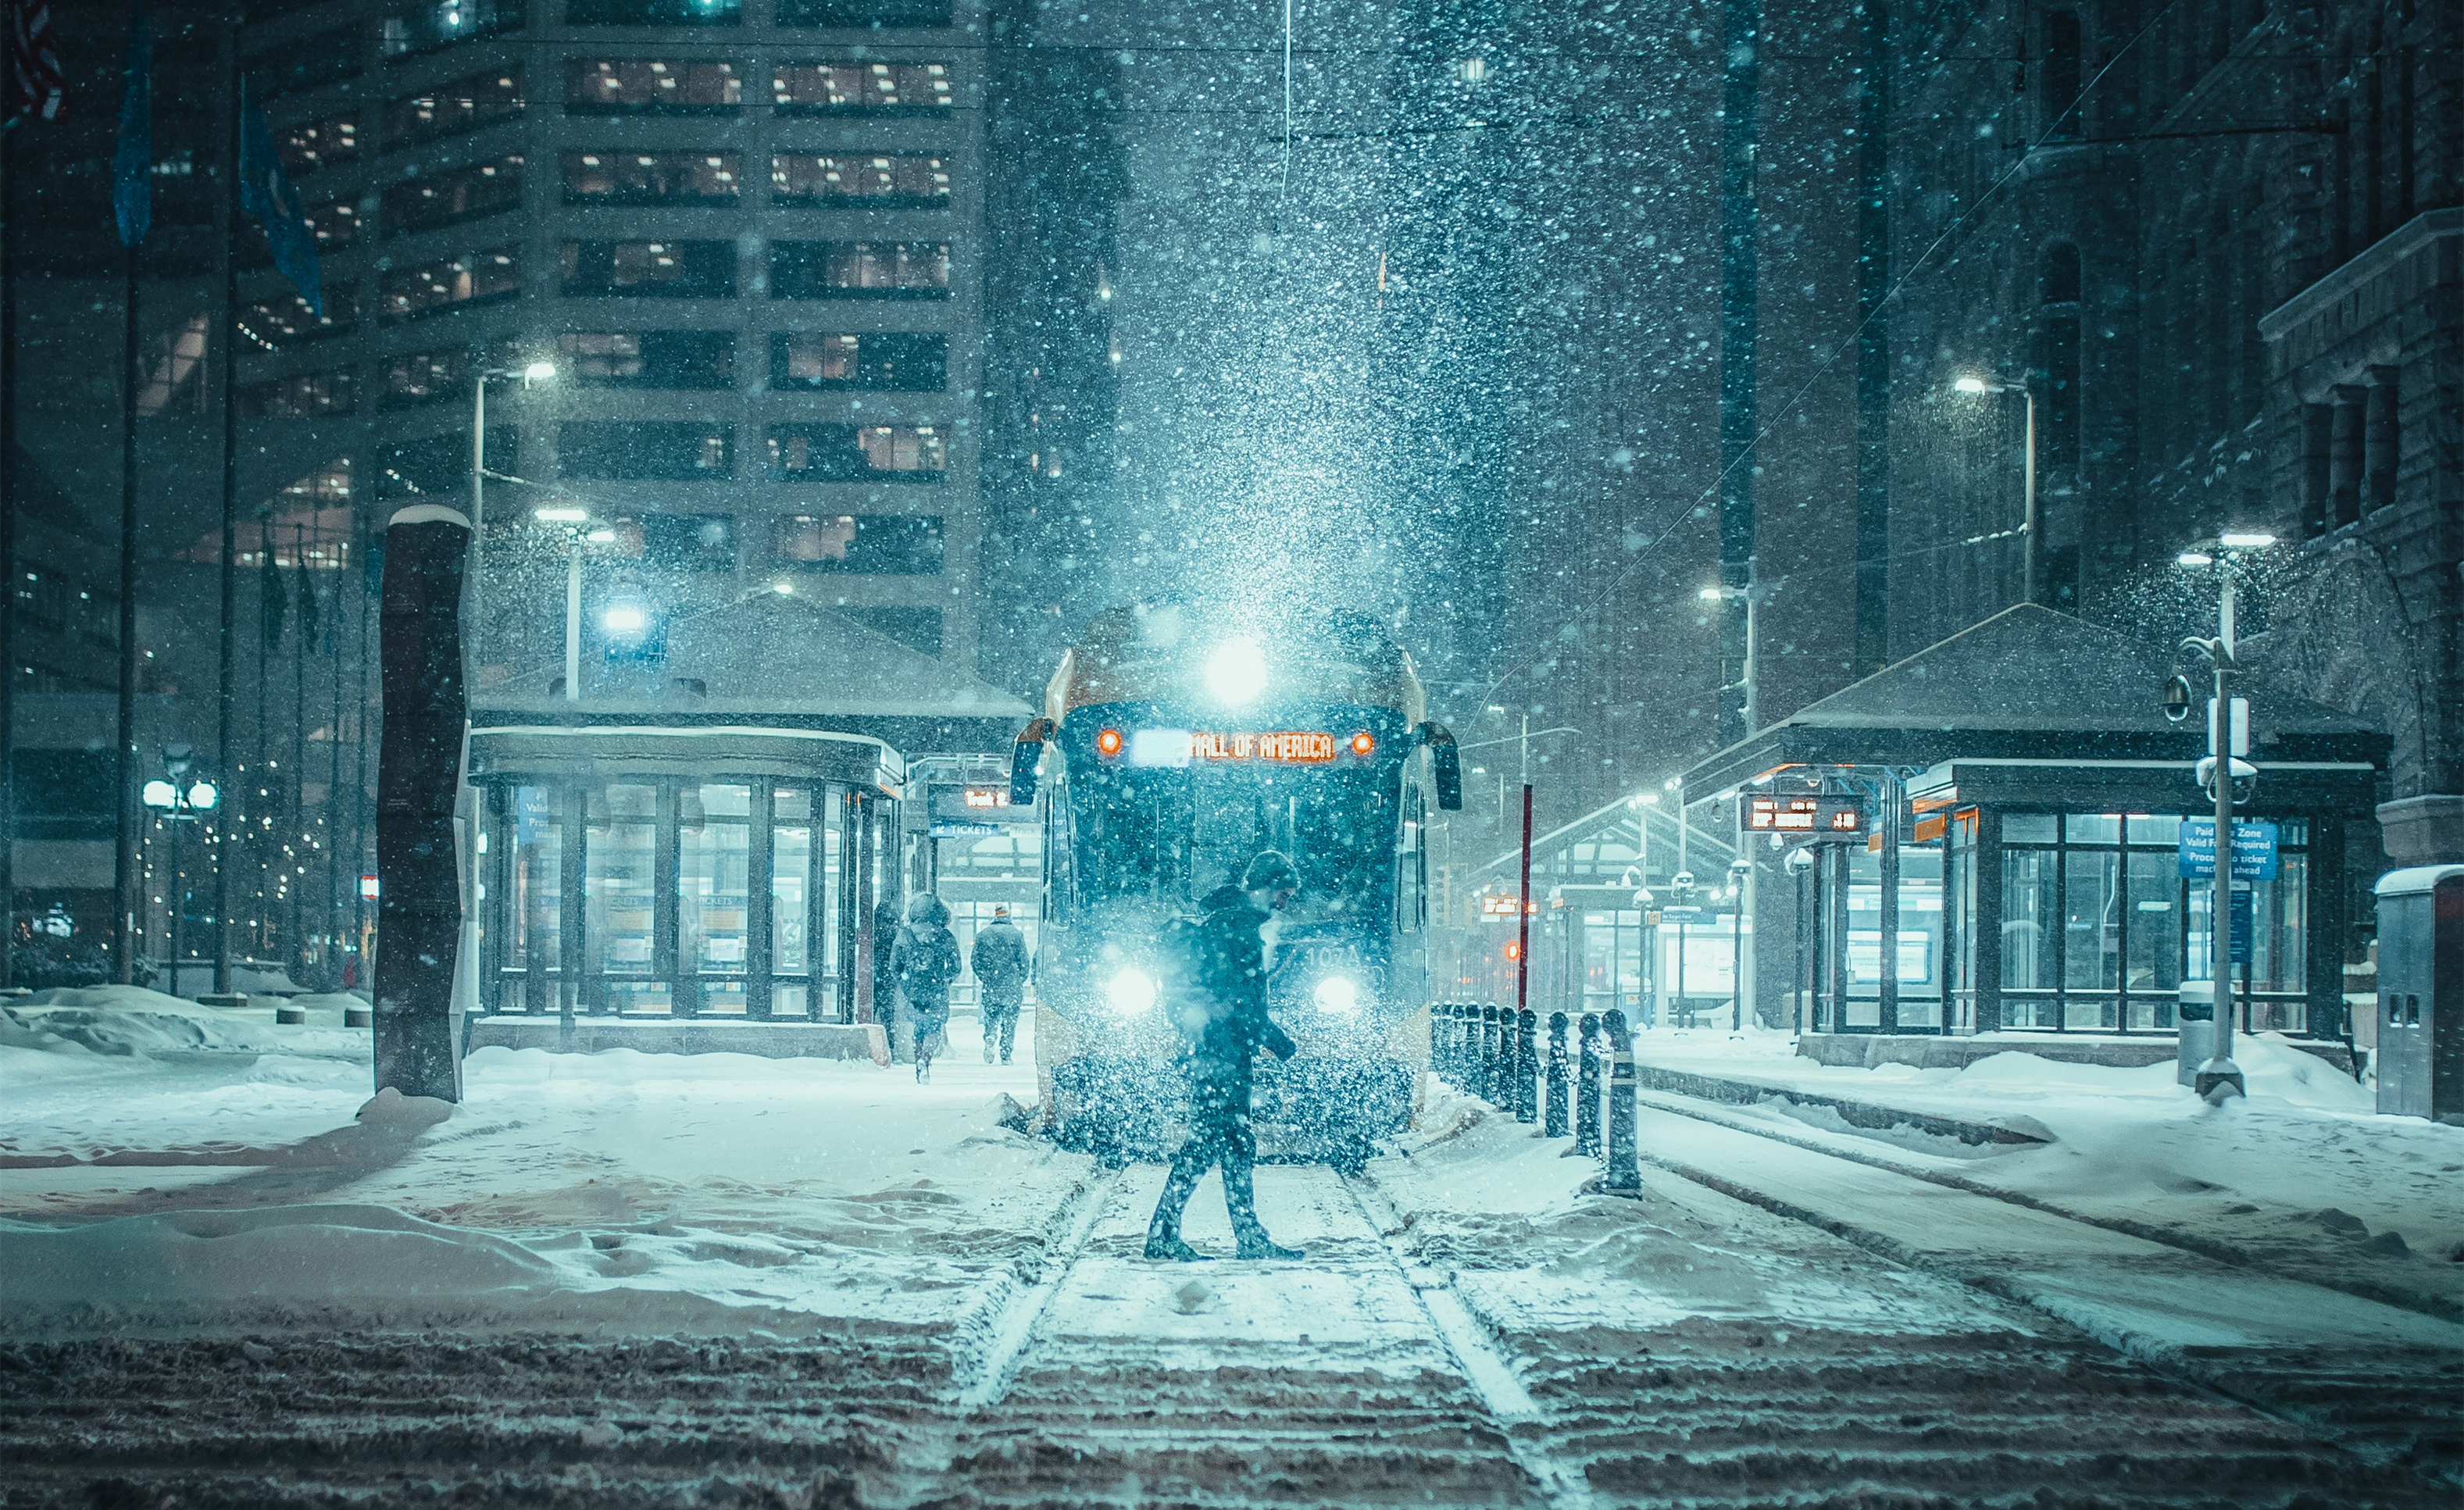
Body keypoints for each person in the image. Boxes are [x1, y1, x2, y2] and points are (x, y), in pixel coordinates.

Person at [1145, 851, 1304, 1263]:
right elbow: (1241, 1003)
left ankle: (1245, 1236)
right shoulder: (1238, 928)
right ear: (1265, 886)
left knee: (1234, 1143)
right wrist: (1279, 1042)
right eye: (1283, 894)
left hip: (1217, 1051)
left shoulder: (1227, 921)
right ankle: (1165, 1234)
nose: (1284, 903)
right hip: (1223, 1054)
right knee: (1207, 1144)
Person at [890, 894, 960, 1082]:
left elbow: (894, 966)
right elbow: (956, 967)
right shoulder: (945, 935)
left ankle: (919, 1064)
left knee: (919, 1028)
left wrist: (905, 982)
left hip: (913, 990)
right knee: (934, 1028)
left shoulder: (905, 934)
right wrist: (944, 980)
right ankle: (926, 1060)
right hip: (936, 989)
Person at [971, 905, 1030, 1065]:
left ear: (996, 916)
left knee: (991, 1015)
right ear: (1008, 917)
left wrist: (985, 977)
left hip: (992, 984)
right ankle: (1006, 1054)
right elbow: (1024, 961)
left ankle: (990, 1035)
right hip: (1011, 985)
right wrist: (1019, 979)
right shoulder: (1016, 935)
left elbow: (975, 961)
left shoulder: (983, 935)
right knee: (1009, 1022)